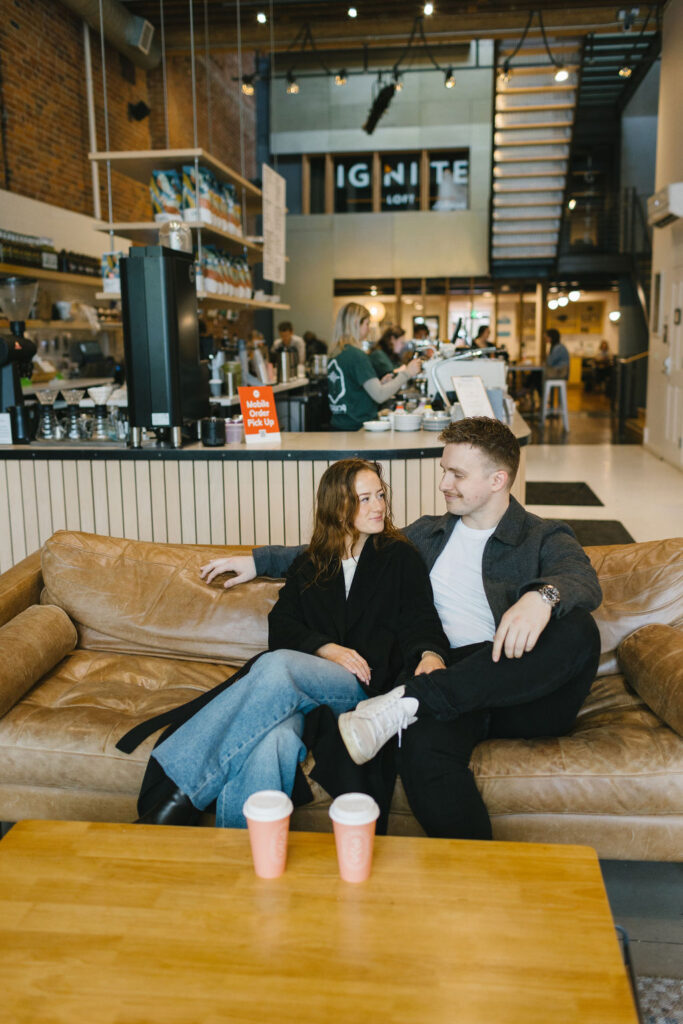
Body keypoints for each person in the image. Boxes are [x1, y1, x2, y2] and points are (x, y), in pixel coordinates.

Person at [218, 417, 602, 841]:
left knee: (580, 629)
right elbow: (343, 541)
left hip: (518, 684)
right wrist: (258, 560)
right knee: (420, 752)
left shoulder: (542, 535)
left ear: (498, 479)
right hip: (446, 681)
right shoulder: (427, 533)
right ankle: (476, 884)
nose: (443, 483)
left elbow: (580, 578)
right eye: (444, 470)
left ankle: (404, 702)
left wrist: (541, 598)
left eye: (456, 473)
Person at [126, 458, 449, 830]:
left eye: (380, 495)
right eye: (364, 499)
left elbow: (420, 619)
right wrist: (326, 648)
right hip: (305, 694)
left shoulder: (399, 557)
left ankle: (180, 795)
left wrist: (430, 652)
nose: (378, 506)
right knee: (272, 742)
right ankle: (243, 857)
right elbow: (282, 624)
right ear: (337, 505)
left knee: (276, 665)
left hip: (362, 688)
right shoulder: (312, 562)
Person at [327, 303, 421, 430]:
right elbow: (380, 395)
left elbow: (351, 389)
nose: (369, 329)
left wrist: (380, 384)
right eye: (367, 324)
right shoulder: (357, 355)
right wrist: (407, 373)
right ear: (356, 323)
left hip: (340, 426)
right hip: (357, 429)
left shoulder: (335, 353)